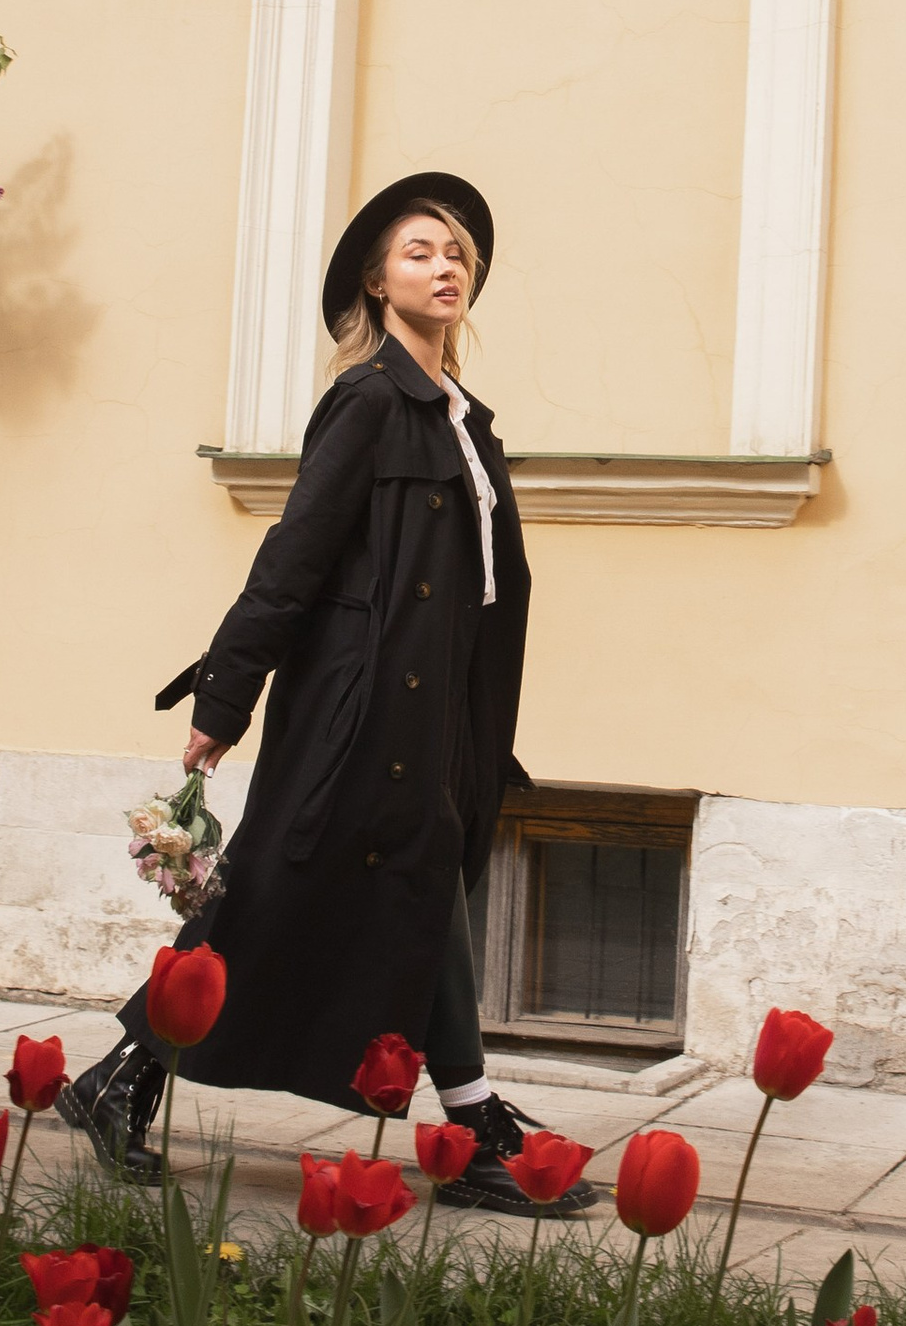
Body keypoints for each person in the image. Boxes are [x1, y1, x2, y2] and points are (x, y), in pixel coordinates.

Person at [59, 172, 597, 1217]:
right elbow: (293, 557)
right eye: (417, 252)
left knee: (421, 892)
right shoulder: (368, 402)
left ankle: (470, 1119)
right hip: (358, 718)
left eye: (454, 254)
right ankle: (129, 1082)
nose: (443, 267)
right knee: (269, 899)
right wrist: (224, 697)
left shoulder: (459, 419)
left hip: (433, 722)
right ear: (375, 281)